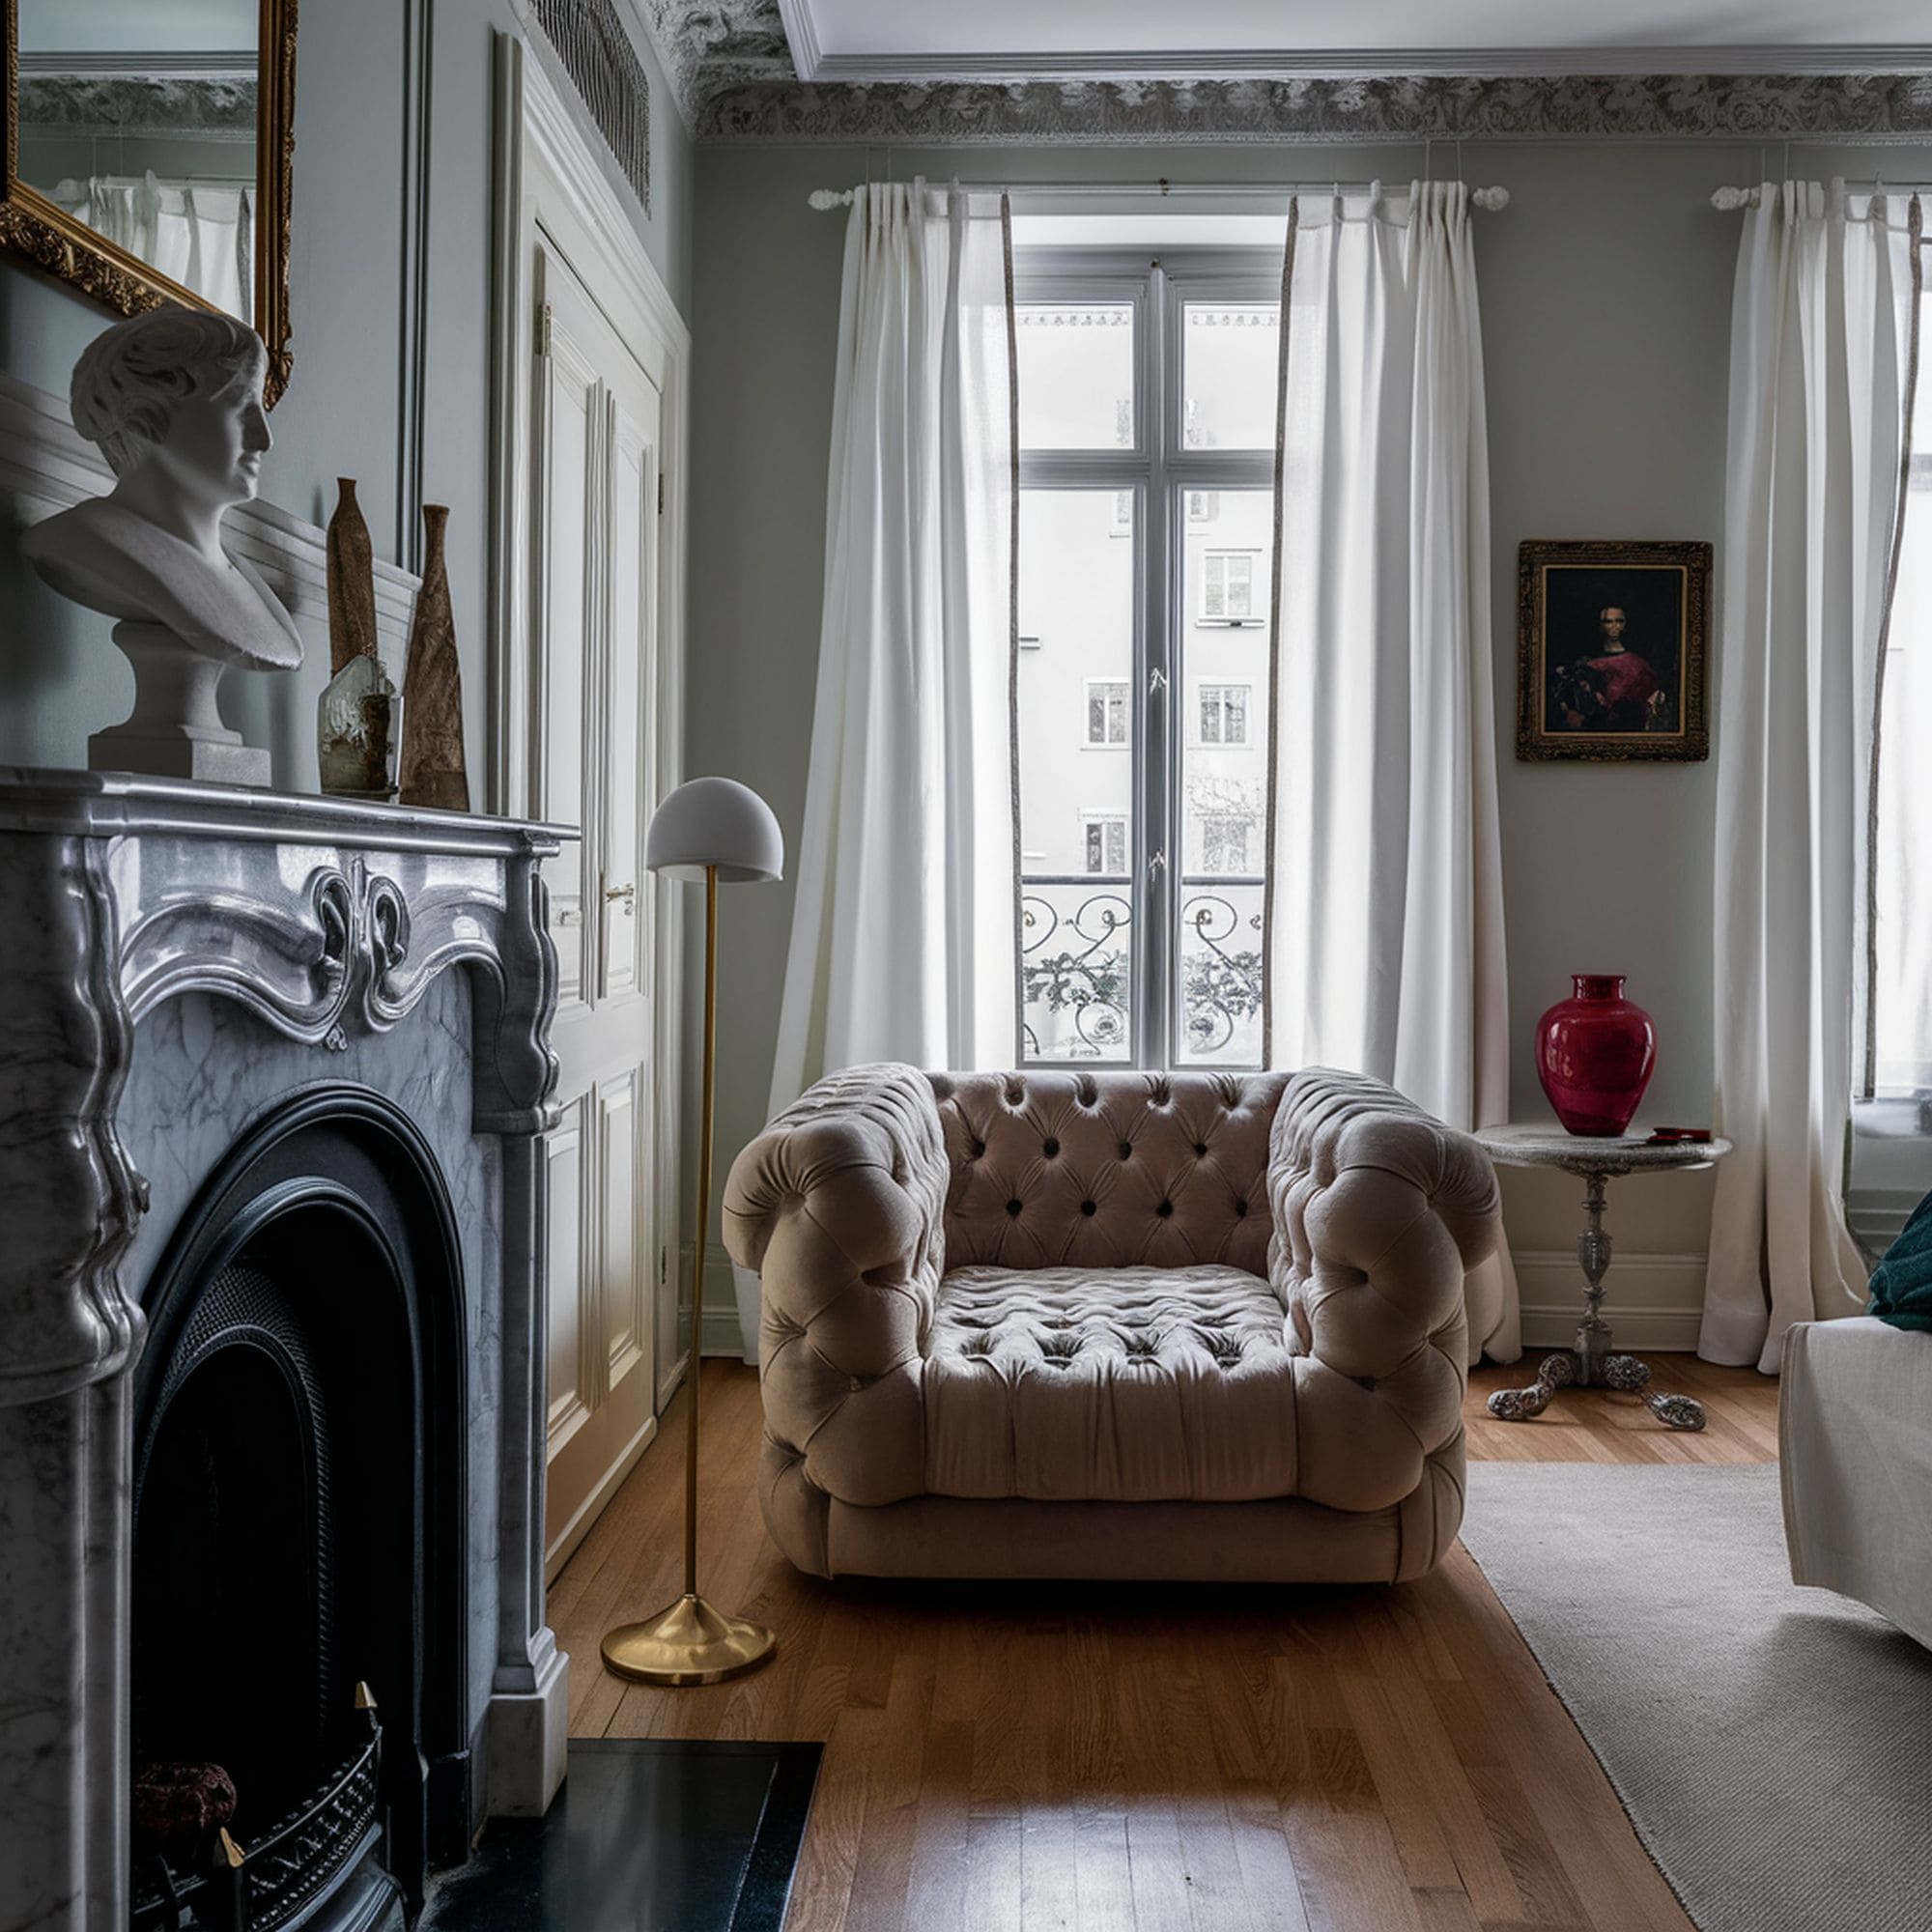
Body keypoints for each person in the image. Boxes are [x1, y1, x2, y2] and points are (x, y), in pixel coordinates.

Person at [21, 307, 302, 671]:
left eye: (259, 411)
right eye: (239, 408)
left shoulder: (246, 580)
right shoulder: (73, 541)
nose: (264, 439)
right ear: (146, 416)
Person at [1548, 605, 1668, 733]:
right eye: (1608, 622)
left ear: (1625, 625)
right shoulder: (1587, 664)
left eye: (1619, 621)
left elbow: (1654, 697)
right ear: (1600, 626)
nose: (1614, 626)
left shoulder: (1637, 664)